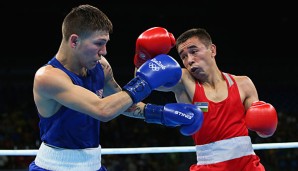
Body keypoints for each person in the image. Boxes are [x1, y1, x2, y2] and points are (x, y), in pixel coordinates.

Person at [29, 4, 204, 171]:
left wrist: (161, 114)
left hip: (93, 165)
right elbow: (102, 109)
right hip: (52, 166)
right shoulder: (48, 77)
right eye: (99, 43)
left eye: (106, 43)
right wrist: (145, 82)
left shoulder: (101, 67)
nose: (104, 51)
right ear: (74, 41)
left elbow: (121, 103)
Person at [133, 27, 278, 170]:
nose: (189, 60)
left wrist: (267, 127)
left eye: (194, 51)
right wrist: (142, 57)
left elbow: (262, 132)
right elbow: (143, 82)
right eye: (183, 56)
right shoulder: (184, 80)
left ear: (212, 50)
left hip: (248, 165)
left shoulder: (244, 84)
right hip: (209, 166)